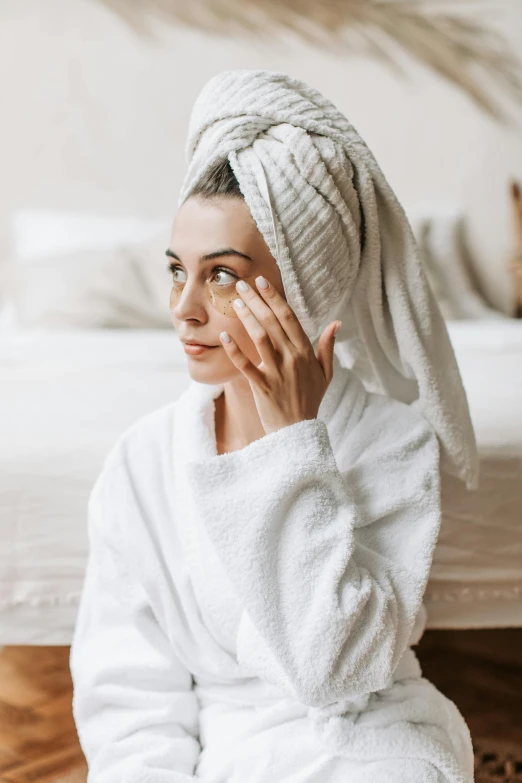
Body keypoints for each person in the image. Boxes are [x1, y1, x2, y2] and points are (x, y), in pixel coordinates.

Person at [70, 70, 479, 783]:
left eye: (222, 275)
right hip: (226, 750)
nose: (185, 308)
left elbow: (338, 671)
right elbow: (127, 696)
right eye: (177, 270)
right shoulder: (142, 462)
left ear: (304, 287)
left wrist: (293, 446)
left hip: (368, 744)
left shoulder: (392, 441)